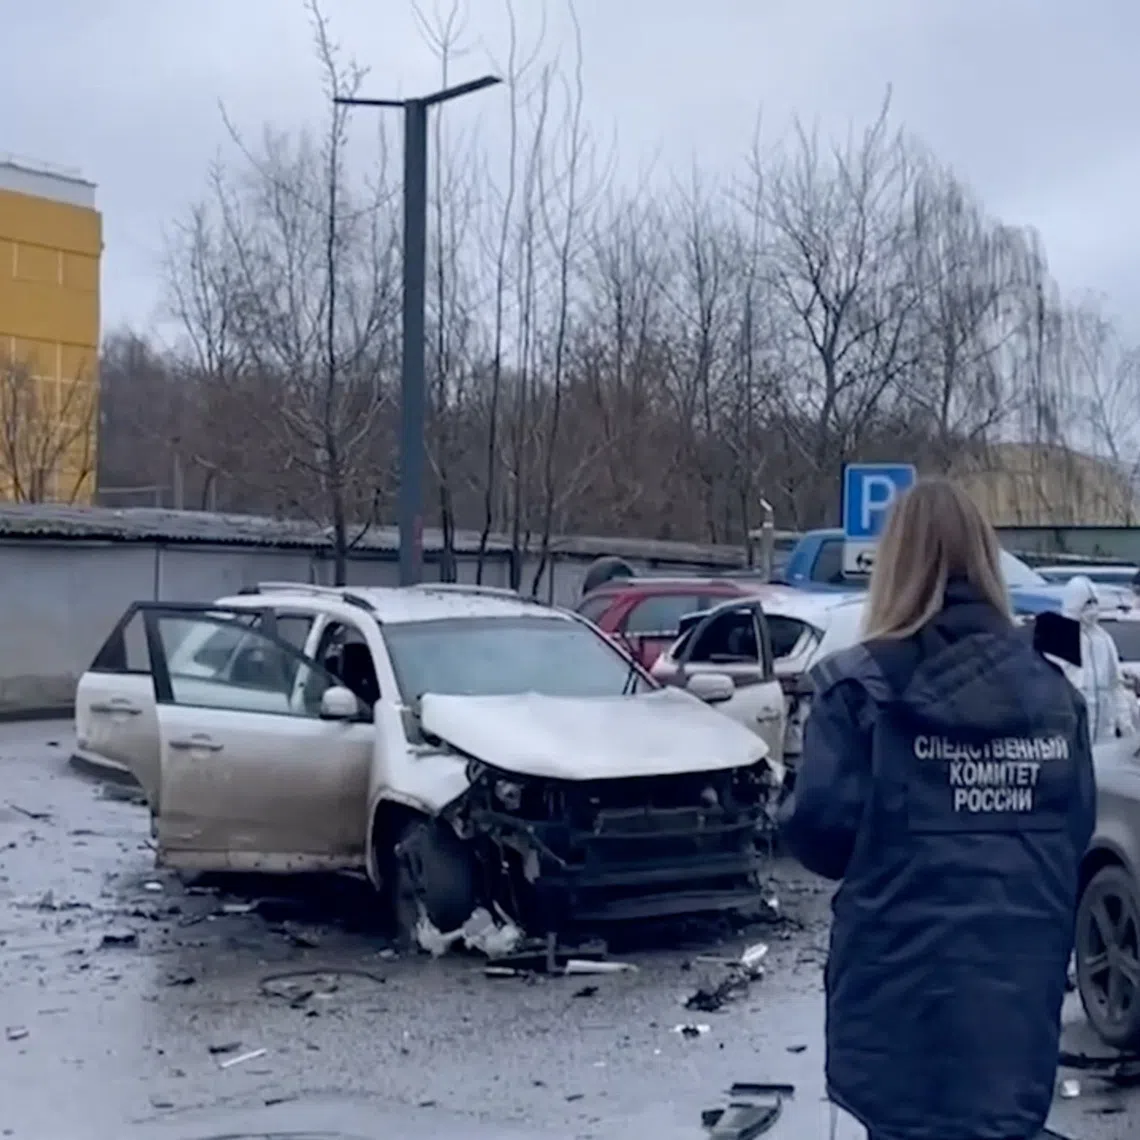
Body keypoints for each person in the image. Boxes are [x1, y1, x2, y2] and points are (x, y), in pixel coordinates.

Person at [780, 478, 1096, 1140]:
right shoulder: (1054, 695)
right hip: (1015, 1001)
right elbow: (1075, 833)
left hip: (898, 1005)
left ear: (894, 564)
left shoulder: (857, 688)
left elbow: (820, 838)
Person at [1058, 574, 1130, 743]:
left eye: (1094, 602)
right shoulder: (1058, 637)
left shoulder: (1103, 639)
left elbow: (1115, 684)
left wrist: (1124, 721)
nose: (1093, 609)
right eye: (1087, 604)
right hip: (1071, 729)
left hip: (1104, 732)